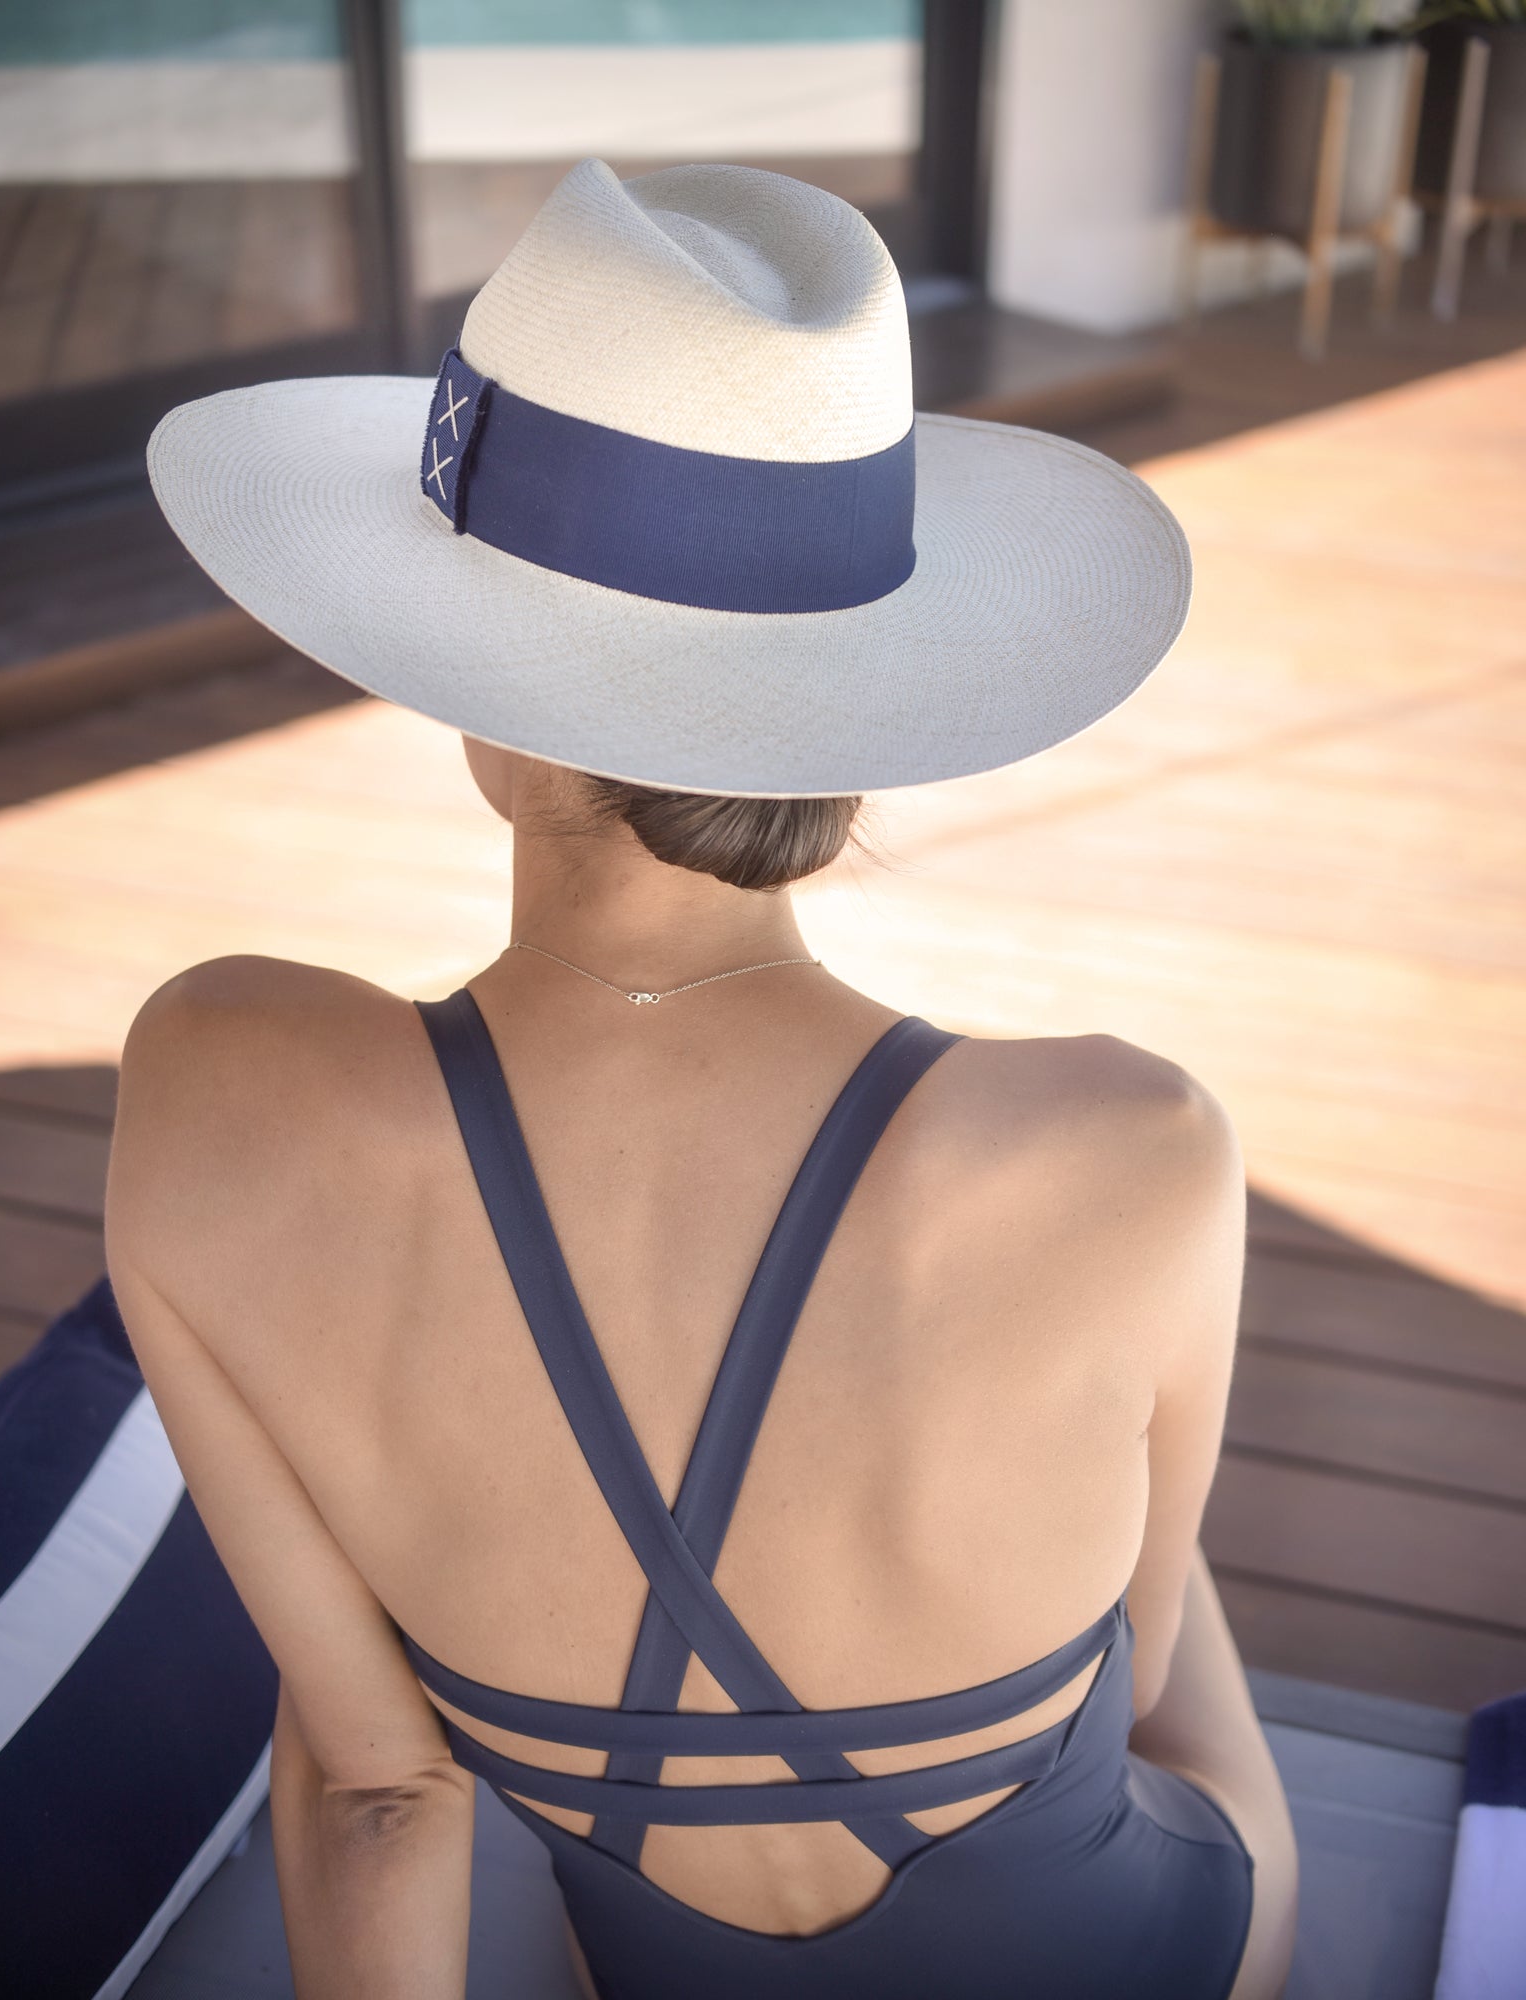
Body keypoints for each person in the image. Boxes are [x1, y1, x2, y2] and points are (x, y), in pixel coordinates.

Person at [108, 160, 1298, 1998]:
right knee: (1152, 1551)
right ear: (863, 721)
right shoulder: (1134, 1147)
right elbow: (1122, 1698)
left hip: (664, 1957)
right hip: (1137, 1948)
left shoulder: (214, 1088)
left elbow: (376, 1800)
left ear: (487, 709)